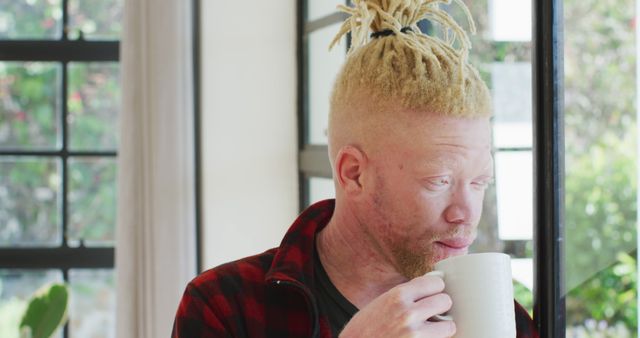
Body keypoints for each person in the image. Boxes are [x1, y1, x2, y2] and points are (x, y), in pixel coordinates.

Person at [172, 0, 539, 337]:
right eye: (439, 181)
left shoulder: (500, 319)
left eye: (479, 182)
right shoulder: (225, 307)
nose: (466, 214)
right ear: (354, 174)